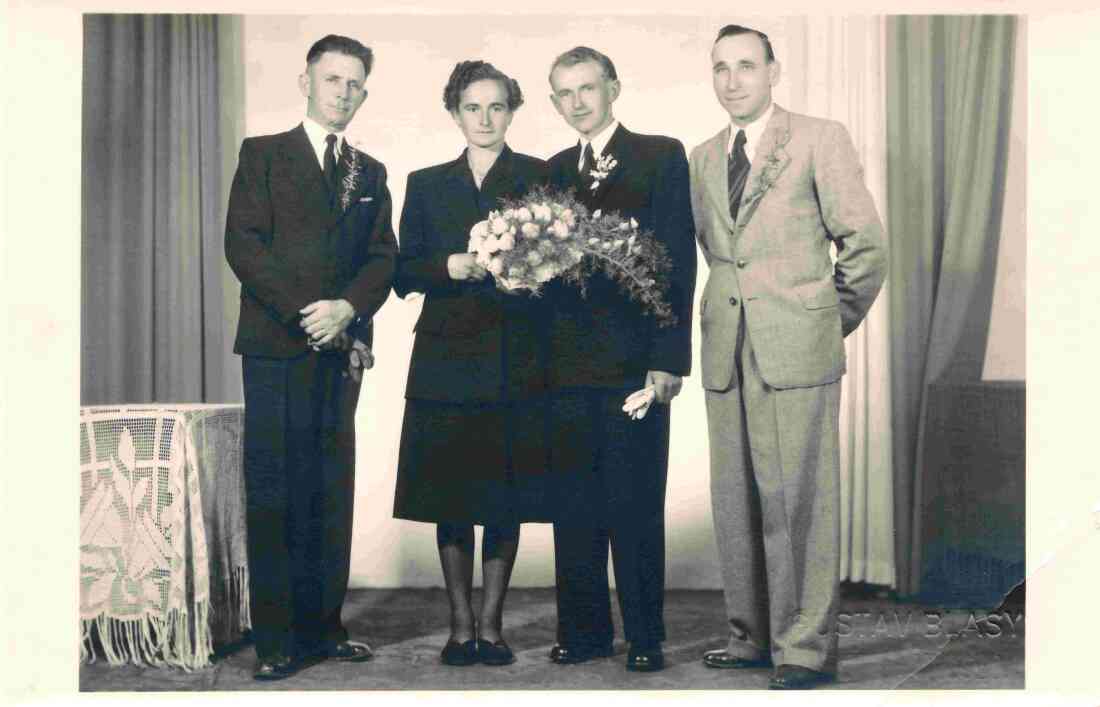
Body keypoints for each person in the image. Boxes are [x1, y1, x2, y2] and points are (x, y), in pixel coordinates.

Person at [689, 24, 887, 689]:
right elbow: (724, 257)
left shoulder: (819, 138)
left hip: (795, 346)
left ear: (775, 70)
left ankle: (804, 647)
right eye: (721, 68)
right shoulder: (701, 157)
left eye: (746, 65)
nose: (733, 79)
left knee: (798, 501)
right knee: (736, 498)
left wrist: (822, 322)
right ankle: (750, 635)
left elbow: (866, 248)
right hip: (726, 347)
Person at [224, 34, 397, 681]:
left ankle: (324, 626)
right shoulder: (263, 155)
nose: (343, 92)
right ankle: (276, 639)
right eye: (333, 80)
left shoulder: (370, 171)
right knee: (275, 487)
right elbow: (244, 244)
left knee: (331, 485)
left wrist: (346, 311)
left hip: (340, 349)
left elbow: (383, 257)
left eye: (355, 83)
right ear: (306, 82)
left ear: (364, 93)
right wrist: (312, 313)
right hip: (277, 346)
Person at [543, 46, 696, 673]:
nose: (578, 101)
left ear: (614, 87)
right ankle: (583, 633)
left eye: (588, 88)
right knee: (574, 505)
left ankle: (645, 636)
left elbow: (679, 261)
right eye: (565, 93)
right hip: (565, 369)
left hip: (634, 365)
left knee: (634, 503)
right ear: (554, 103)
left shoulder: (659, 155)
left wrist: (668, 360)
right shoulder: (551, 170)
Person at [391, 60, 550, 667]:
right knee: (451, 496)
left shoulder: (539, 178)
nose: (485, 119)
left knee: (504, 495)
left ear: (513, 111)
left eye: (497, 107)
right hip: (446, 359)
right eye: (473, 107)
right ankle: (459, 628)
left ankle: (493, 627)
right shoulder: (426, 182)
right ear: (453, 112)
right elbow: (403, 271)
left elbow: (563, 266)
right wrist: (447, 267)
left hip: (516, 357)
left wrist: (528, 273)